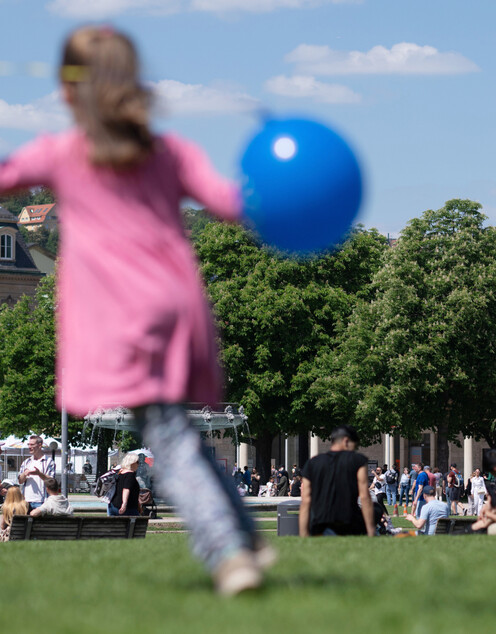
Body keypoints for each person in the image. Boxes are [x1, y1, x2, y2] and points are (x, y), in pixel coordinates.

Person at [0, 26, 272, 595]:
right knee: (175, 430)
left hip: (119, 313)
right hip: (177, 304)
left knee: (166, 440)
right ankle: (247, 536)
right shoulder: (169, 151)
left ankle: (228, 554)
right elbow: (230, 203)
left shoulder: (62, 151)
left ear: (68, 91)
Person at [299, 425, 375, 538]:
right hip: (348, 522)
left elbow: (306, 500)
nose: (354, 450)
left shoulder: (312, 463)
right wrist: (371, 531)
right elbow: (364, 496)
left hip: (320, 524)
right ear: (346, 441)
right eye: (355, 446)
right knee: (377, 510)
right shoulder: (357, 460)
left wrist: (303, 534)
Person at [18, 435, 55, 511]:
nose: (29, 447)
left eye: (32, 445)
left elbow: (51, 481)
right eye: (28, 444)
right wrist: (24, 474)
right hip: (26, 501)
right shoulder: (26, 462)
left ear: (40, 445)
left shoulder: (48, 461)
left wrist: (39, 474)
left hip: (42, 501)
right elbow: (20, 480)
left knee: (40, 523)